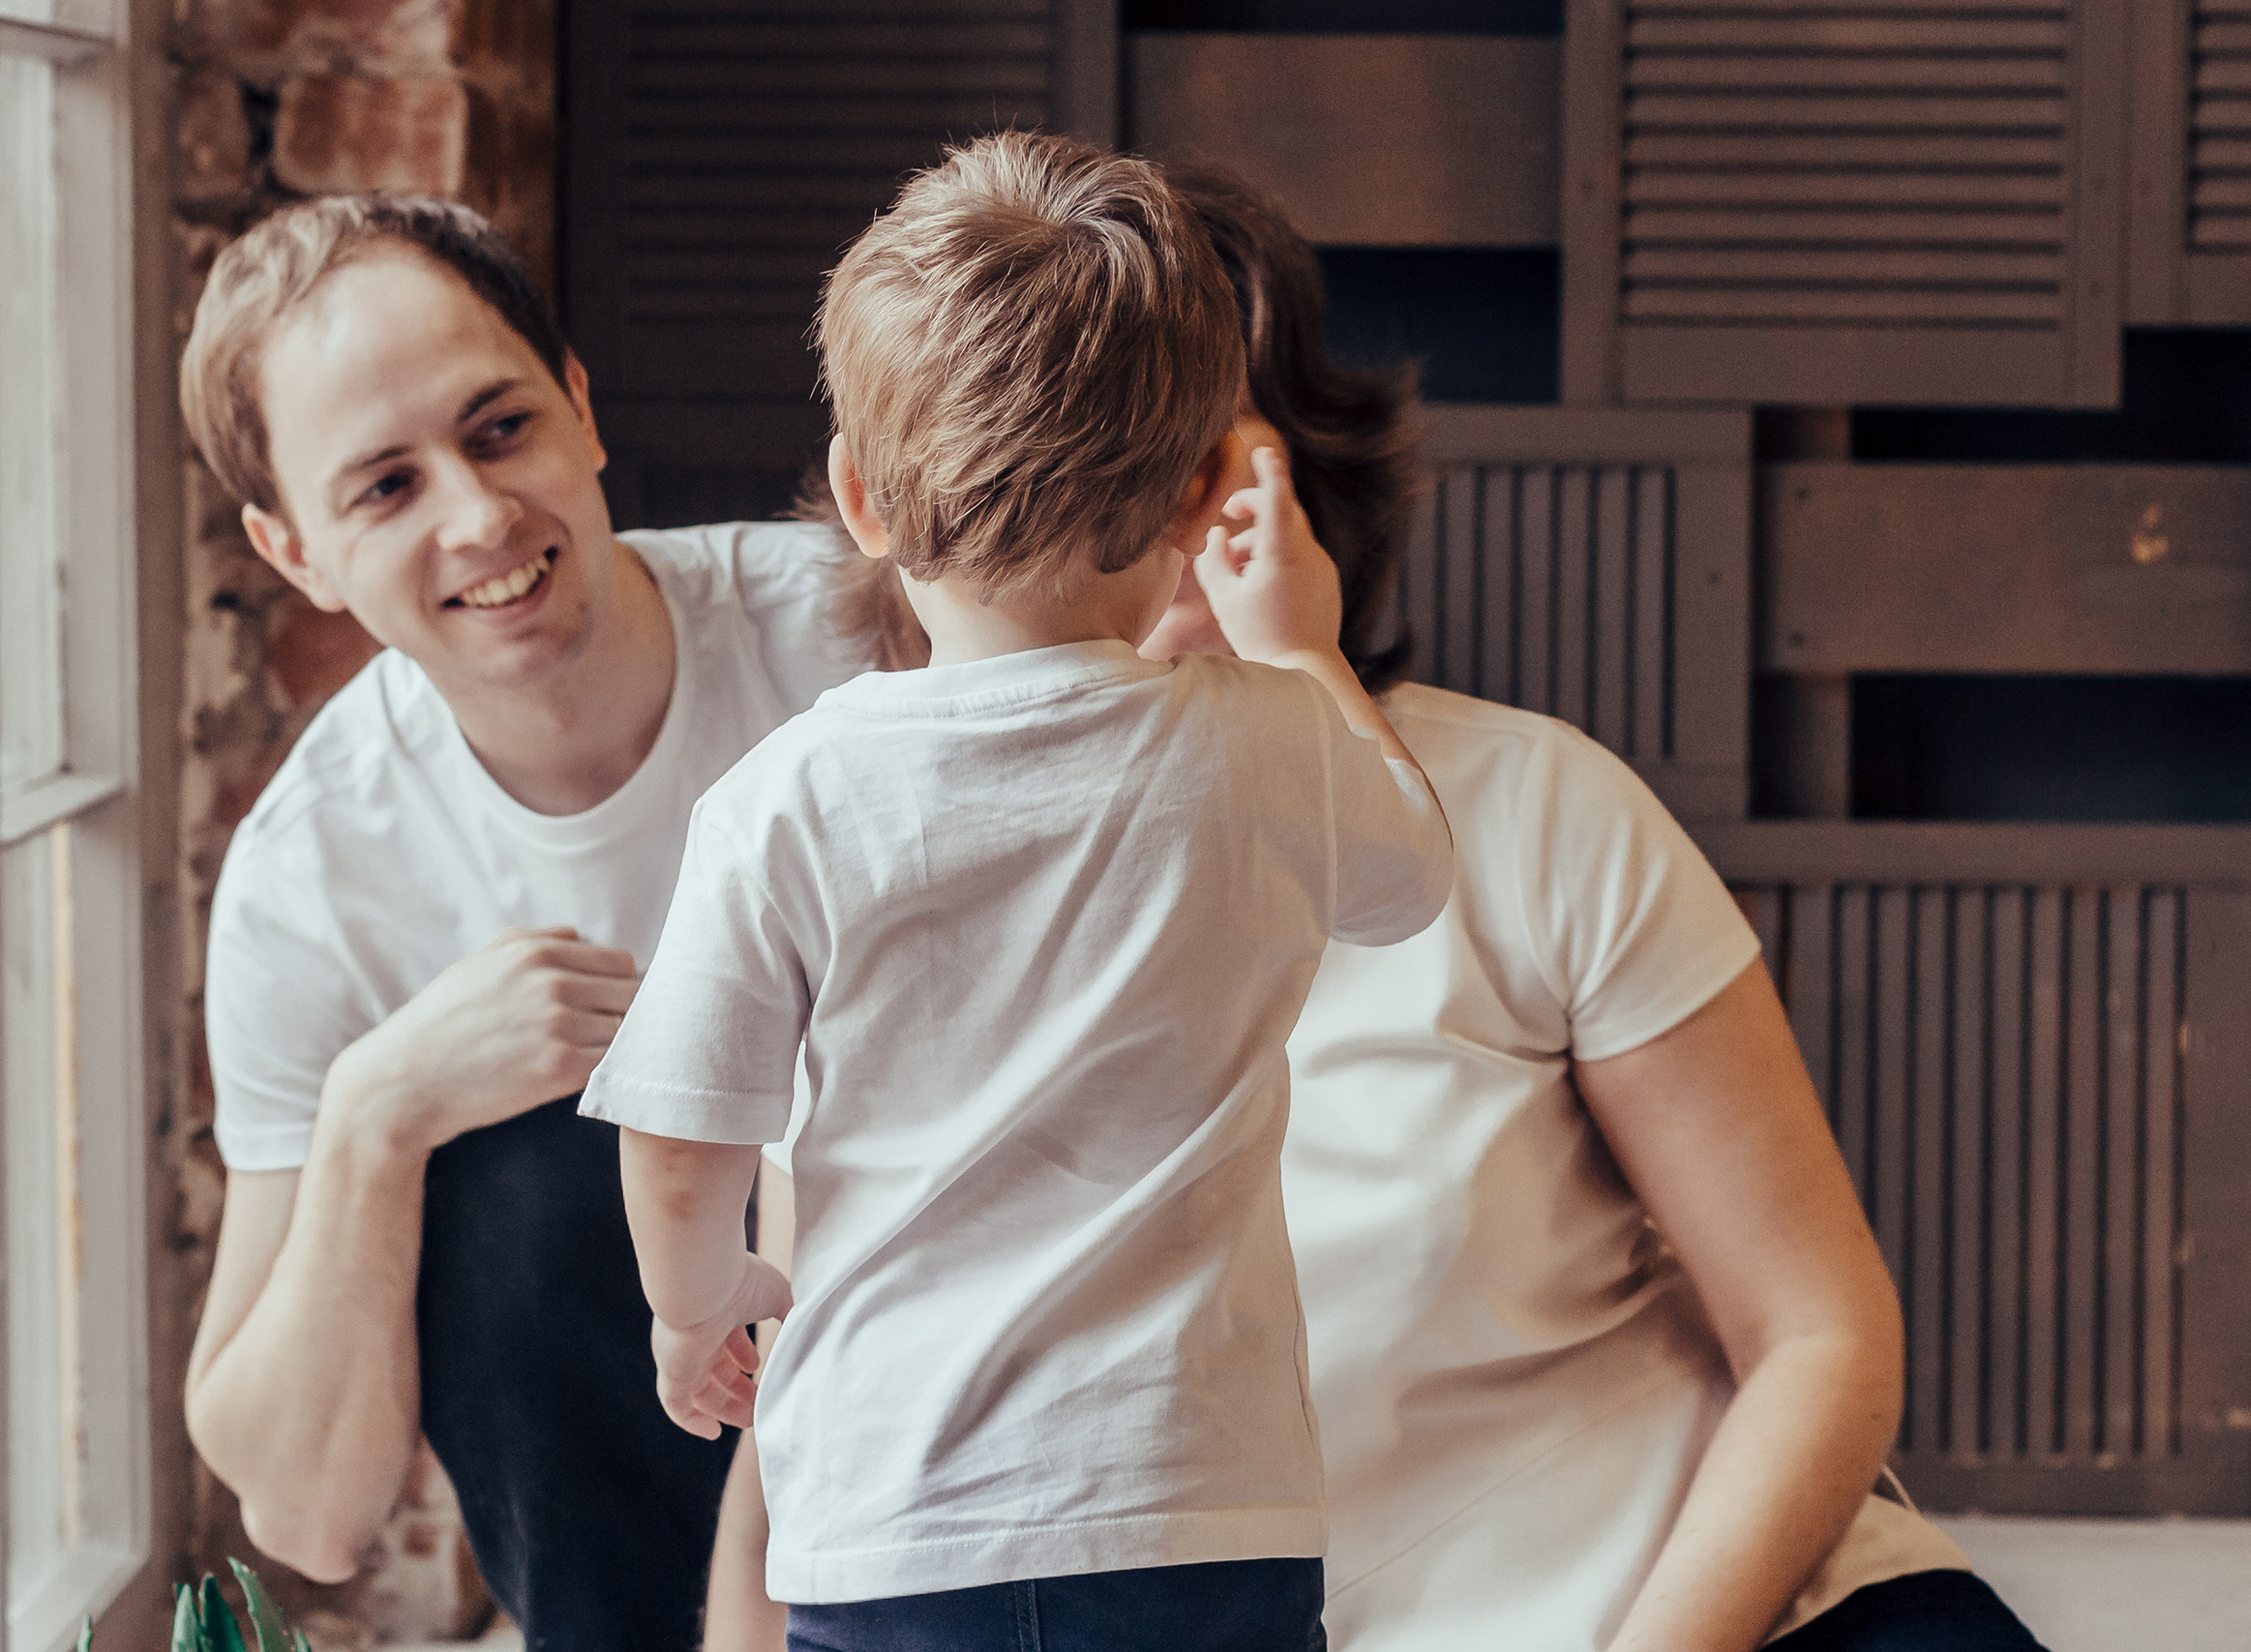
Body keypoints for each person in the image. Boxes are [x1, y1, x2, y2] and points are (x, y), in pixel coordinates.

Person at [705, 165, 2050, 1651]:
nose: (1107, 511)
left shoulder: (1534, 809)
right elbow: (811, 1410)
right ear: (898, 503)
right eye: (1036, 456)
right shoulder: (854, 860)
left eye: (1165, 459)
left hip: (1713, 1608)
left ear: (1267, 478)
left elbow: (1819, 1334)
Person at [580, 133, 1455, 1652]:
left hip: (896, 1517)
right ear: (1201, 498)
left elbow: (679, 1129)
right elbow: (1409, 882)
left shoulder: (786, 796)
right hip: (1203, 1507)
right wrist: (1303, 645)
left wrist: (696, 1304)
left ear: (858, 495)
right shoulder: (1267, 744)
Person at [176, 195, 868, 1651]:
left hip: (946, 1383)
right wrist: (379, 1112)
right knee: (505, 1164)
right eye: (385, 488)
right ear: (291, 549)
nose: (481, 518)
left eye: (499, 429)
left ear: (580, 405)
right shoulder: (313, 879)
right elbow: (303, 1518)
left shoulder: (853, 635)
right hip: (641, 1539)